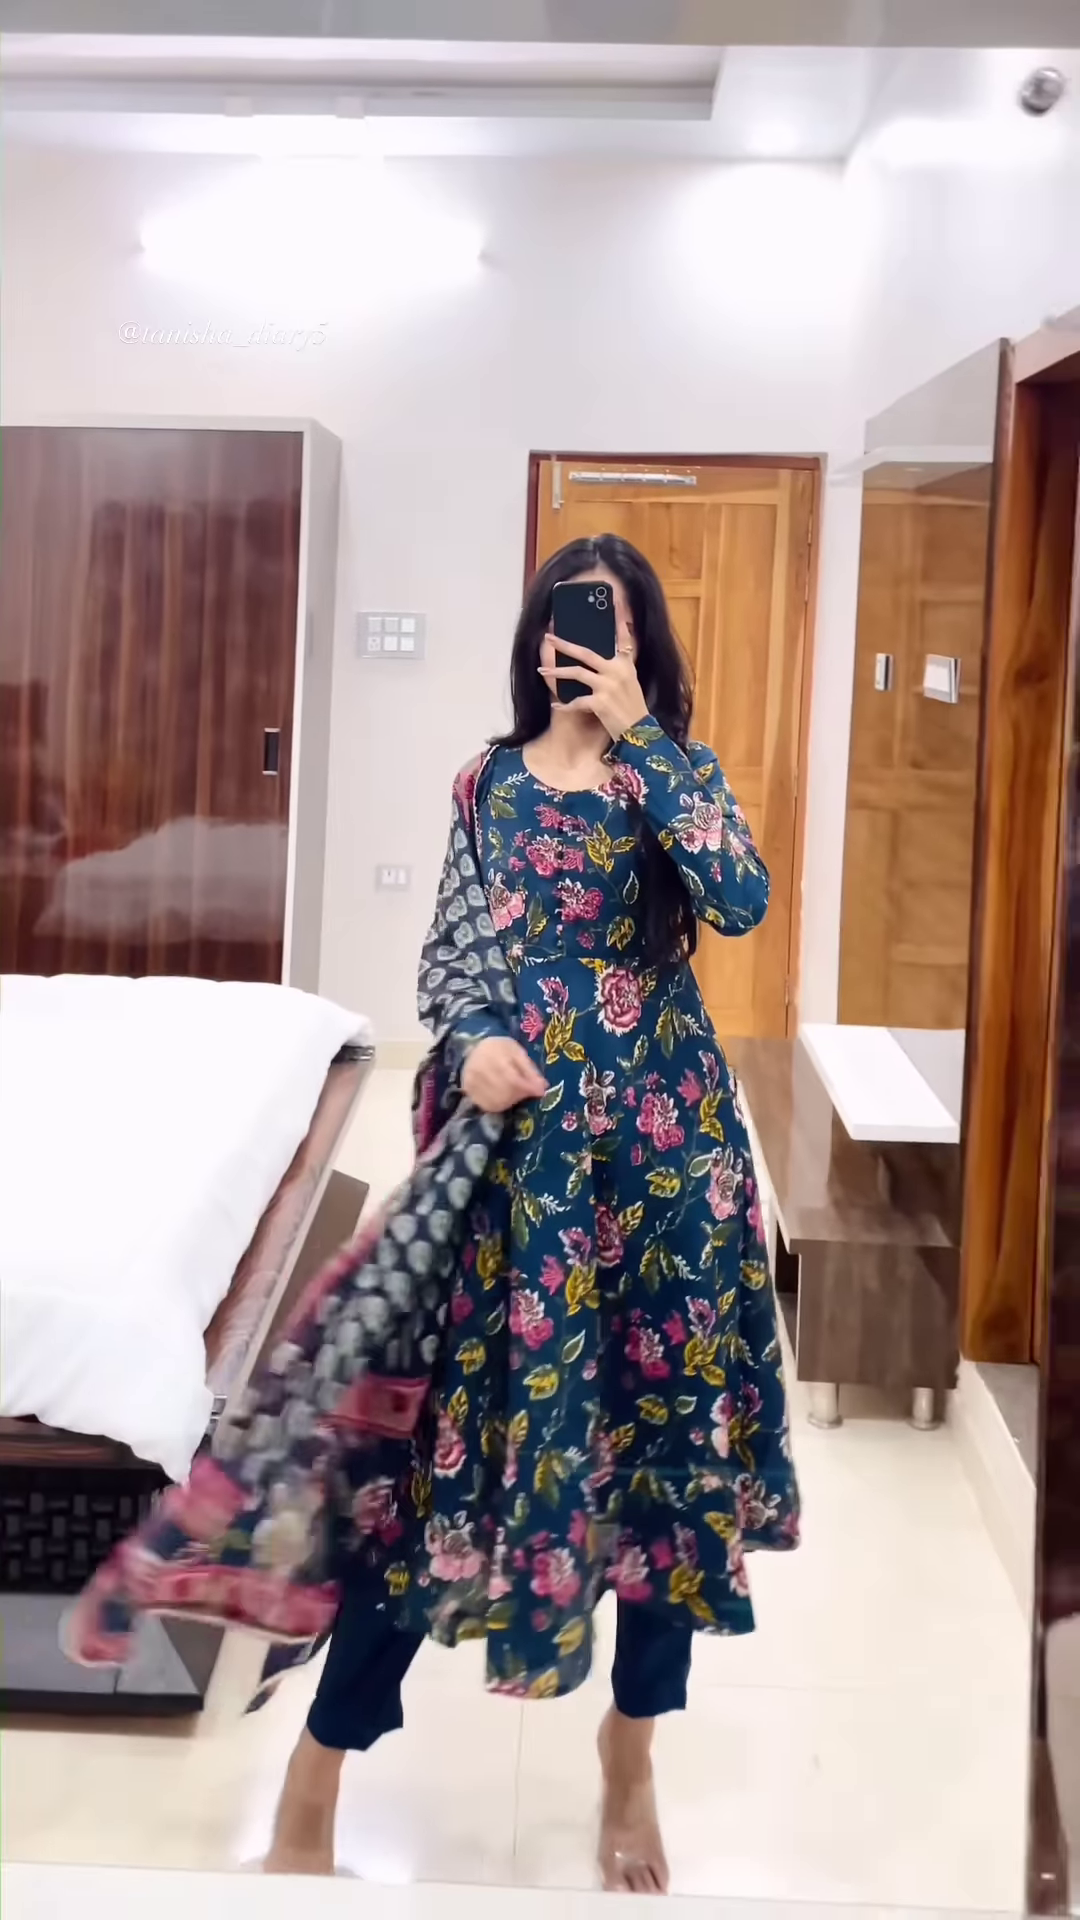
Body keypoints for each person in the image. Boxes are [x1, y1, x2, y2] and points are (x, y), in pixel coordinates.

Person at [265, 533, 799, 1893]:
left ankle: (633, 1752)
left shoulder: (675, 774)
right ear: (537, 638)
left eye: (613, 625)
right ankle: (321, 1762)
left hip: (667, 1164)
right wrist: (476, 1039)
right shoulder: (487, 783)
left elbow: (741, 900)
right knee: (444, 1458)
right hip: (524, 1172)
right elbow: (452, 958)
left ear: (645, 644)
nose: (588, 645)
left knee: (663, 1454)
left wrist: (648, 740)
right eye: (572, 622)